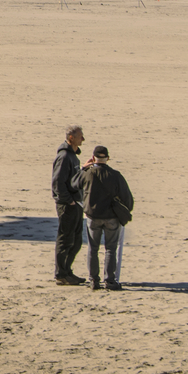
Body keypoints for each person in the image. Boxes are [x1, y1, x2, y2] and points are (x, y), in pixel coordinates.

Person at [81, 145, 134, 291]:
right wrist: (125, 211)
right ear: (108, 158)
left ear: (93, 158)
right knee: (111, 249)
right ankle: (110, 281)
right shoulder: (116, 175)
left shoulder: (88, 174)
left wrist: (84, 168)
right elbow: (127, 198)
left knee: (93, 248)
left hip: (93, 216)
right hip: (111, 217)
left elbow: (75, 184)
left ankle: (94, 280)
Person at [51, 125, 87, 285]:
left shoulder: (72, 156)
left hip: (76, 203)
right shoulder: (64, 156)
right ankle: (61, 274)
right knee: (66, 239)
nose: (83, 139)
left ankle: (67, 270)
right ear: (71, 138)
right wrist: (68, 200)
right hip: (68, 205)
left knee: (77, 240)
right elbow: (58, 182)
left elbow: (74, 178)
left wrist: (85, 168)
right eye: (80, 136)